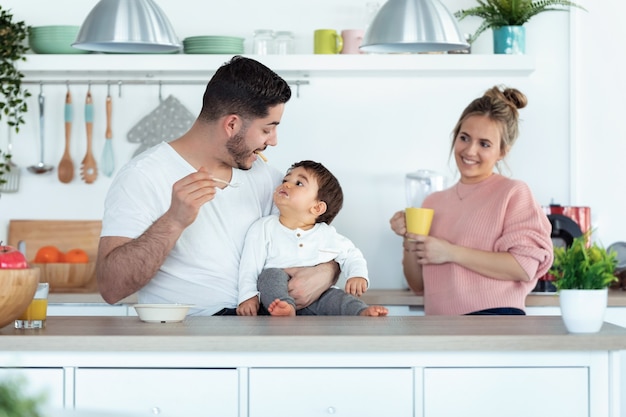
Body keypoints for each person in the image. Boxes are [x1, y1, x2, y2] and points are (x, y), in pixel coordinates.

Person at [96, 56, 338, 315]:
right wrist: (173, 221)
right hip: (185, 339)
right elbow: (111, 288)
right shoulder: (143, 175)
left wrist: (328, 272)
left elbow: (319, 244)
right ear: (232, 124)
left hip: (262, 335)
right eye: (268, 129)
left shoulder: (269, 179)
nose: (274, 141)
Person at [389, 86, 553, 316]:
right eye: (464, 138)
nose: (470, 150)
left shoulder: (513, 193)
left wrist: (450, 252)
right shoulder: (433, 202)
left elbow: (524, 267)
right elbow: (419, 286)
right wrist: (408, 238)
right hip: (441, 326)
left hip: (495, 319)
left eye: (484, 144)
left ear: (503, 151)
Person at [237, 160, 388, 317]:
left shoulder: (327, 235)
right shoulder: (263, 228)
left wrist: (357, 275)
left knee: (336, 297)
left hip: (317, 298)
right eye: (285, 180)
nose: (287, 184)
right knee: (270, 276)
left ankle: (361, 311)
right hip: (273, 301)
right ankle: (285, 307)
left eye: (299, 183)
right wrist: (248, 297)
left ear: (317, 207)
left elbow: (352, 255)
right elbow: (249, 266)